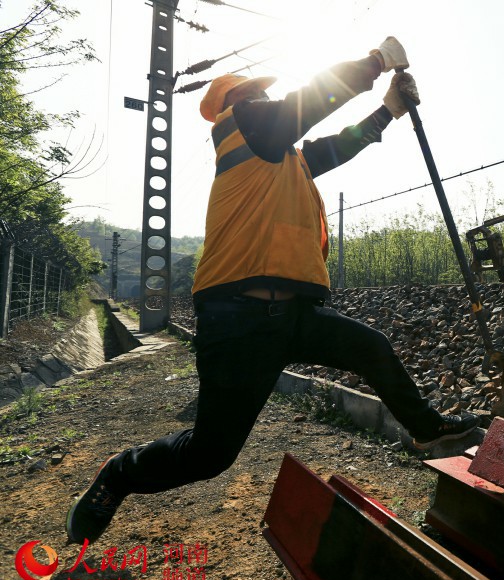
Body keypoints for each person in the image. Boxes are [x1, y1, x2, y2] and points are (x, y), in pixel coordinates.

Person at [66, 37, 479, 545]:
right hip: (236, 319)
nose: (263, 101)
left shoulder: (284, 160)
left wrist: (387, 111)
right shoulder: (241, 131)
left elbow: (334, 146)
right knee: (209, 457)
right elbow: (304, 105)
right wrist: (374, 63)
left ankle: (427, 428)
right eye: (253, 96)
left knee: (370, 347)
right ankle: (121, 472)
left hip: (291, 317)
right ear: (235, 108)